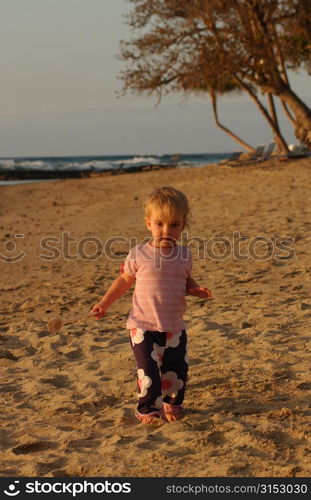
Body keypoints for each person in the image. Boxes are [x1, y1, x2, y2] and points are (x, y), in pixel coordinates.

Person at [91, 186, 212, 424]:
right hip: (142, 326)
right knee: (148, 372)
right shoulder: (138, 254)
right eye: (160, 224)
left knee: (176, 373)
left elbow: (184, 279)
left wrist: (194, 289)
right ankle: (147, 409)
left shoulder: (184, 255)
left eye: (174, 225)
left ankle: (172, 404)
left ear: (184, 225)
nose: (166, 231)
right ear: (148, 224)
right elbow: (124, 280)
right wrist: (104, 303)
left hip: (174, 326)